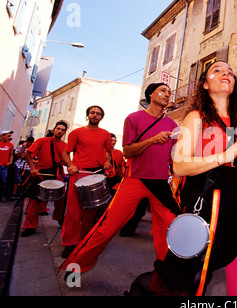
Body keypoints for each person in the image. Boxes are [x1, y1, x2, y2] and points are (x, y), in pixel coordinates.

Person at [167, 61, 237, 296]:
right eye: (218, 70)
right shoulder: (196, 117)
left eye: (230, 72)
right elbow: (179, 166)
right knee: (194, 280)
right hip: (210, 206)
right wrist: (226, 154)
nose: (226, 73)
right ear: (204, 84)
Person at [58, 83, 180, 277]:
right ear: (151, 94)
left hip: (160, 183)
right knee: (106, 229)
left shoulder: (173, 126)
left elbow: (176, 156)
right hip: (135, 180)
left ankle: (166, 277)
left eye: (169, 92)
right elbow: (128, 151)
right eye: (163, 90)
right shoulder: (134, 118)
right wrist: (151, 140)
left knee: (171, 229)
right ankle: (76, 268)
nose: (167, 94)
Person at [60, 106, 112, 258]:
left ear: (101, 117)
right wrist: (70, 165)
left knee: (91, 211)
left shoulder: (106, 134)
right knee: (73, 211)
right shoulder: (76, 133)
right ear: (88, 115)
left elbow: (108, 152)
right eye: (93, 113)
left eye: (98, 114)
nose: (95, 115)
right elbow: (65, 153)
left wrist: (107, 162)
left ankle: (83, 240)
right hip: (79, 173)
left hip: (96, 174)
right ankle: (69, 244)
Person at [21, 122, 68, 237]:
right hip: (41, 174)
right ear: (54, 129)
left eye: (62, 130)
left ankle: (59, 217)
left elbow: (66, 160)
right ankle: (30, 226)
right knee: (35, 200)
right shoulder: (42, 141)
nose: (60, 131)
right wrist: (33, 168)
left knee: (61, 199)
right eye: (58, 129)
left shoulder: (65, 145)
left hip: (57, 174)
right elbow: (28, 154)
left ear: (65, 132)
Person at [0, 130, 14, 202]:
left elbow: (11, 154)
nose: (9, 137)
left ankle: (2, 195)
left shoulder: (10, 145)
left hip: (3, 165)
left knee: (3, 181)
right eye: (8, 136)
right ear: (2, 135)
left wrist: (10, 162)